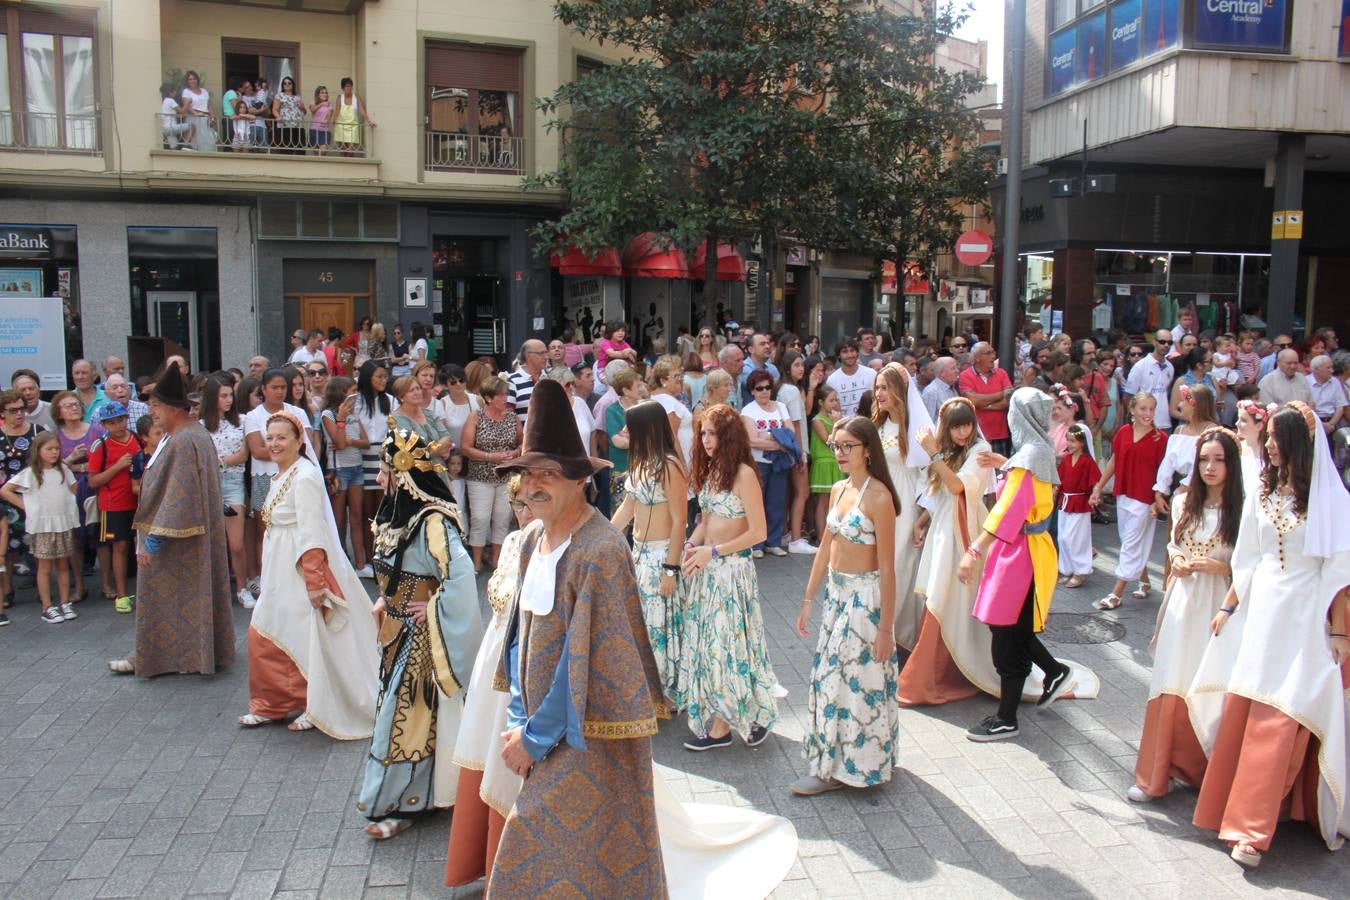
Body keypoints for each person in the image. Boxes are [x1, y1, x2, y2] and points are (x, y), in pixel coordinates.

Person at [488, 379, 667, 895]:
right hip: (539, 730)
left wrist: (535, 737)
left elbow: (584, 657)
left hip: (588, 737)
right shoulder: (529, 540)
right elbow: (520, 636)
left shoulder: (601, 550)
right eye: (528, 475)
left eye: (549, 474)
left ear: (577, 479)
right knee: (563, 863)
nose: (534, 485)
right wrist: (520, 720)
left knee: (555, 855)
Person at [1187, 403, 1350, 867]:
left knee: (1285, 716)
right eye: (1269, 435)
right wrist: (1229, 605)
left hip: (1306, 617)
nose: (1270, 443)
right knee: (1248, 709)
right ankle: (1227, 810)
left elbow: (1339, 570)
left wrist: (1338, 630)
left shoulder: (1332, 500)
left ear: (1300, 441)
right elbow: (1251, 558)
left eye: (1277, 436)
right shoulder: (1261, 491)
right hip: (1261, 614)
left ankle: (1251, 833)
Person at [358, 416, 480, 840]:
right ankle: (416, 797)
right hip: (397, 632)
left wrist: (431, 605)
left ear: (403, 475)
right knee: (401, 718)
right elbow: (393, 569)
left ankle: (400, 804)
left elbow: (461, 582)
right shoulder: (395, 513)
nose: (379, 477)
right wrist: (383, 598)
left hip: (423, 640)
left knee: (406, 720)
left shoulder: (433, 522)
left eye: (386, 470)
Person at [239, 410, 378, 736]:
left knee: (303, 635)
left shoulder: (305, 477)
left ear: (299, 440)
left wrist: (315, 581)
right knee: (267, 629)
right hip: (277, 569)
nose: (274, 444)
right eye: (269, 437)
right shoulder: (277, 475)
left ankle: (315, 706)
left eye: (281, 437)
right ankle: (270, 704)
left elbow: (313, 531)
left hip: (298, 570)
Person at [1128, 428, 1240, 803]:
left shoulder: (1243, 509)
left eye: (1219, 460)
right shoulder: (1182, 501)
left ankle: (1206, 773)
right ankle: (1156, 774)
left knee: (1208, 683)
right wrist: (1175, 556)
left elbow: (1255, 563)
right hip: (1182, 599)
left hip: (1220, 606)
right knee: (1170, 679)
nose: (1210, 467)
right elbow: (1174, 541)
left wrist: (1222, 569)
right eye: (1204, 460)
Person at [958, 388, 1075, 742]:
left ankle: (1007, 718)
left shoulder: (1028, 457)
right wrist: (1004, 463)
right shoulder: (1035, 453)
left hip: (1020, 554)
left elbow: (1008, 510)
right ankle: (1054, 672)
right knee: (1016, 630)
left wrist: (973, 550)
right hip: (1025, 550)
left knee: (1007, 634)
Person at [792, 416, 900, 794]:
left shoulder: (879, 497)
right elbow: (825, 548)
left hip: (863, 601)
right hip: (836, 598)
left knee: (853, 684)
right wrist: (808, 598)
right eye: (836, 446)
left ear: (867, 450)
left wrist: (886, 628)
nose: (839, 452)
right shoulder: (838, 489)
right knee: (828, 680)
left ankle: (849, 768)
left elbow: (888, 568)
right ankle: (831, 763)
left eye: (847, 446)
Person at [108, 365, 235, 677]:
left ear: (174, 408)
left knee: (164, 600)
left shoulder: (182, 440)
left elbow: (180, 494)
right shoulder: (185, 434)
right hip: (185, 534)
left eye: (156, 406)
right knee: (186, 599)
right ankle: (190, 654)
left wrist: (152, 540)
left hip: (176, 537)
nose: (152, 413)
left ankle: (156, 658)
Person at [444, 474, 531, 885]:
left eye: (532, 503)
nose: (524, 512)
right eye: (518, 504)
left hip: (520, 671)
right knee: (483, 751)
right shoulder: (513, 542)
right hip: (491, 663)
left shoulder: (557, 548)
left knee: (508, 763)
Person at [678, 404, 779, 750]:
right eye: (702, 433)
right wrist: (691, 545)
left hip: (733, 571)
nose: (706, 440)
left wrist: (715, 552)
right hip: (707, 570)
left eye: (712, 433)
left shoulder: (744, 475)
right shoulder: (710, 472)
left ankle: (722, 726)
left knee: (728, 645)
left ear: (728, 435)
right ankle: (745, 715)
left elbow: (760, 531)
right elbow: (705, 521)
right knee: (712, 646)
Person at [900, 398, 992, 705]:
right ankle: (932, 676)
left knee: (946, 597)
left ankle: (928, 678)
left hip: (964, 535)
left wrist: (933, 451)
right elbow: (940, 493)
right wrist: (922, 522)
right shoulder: (951, 452)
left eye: (967, 424)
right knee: (939, 597)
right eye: (956, 426)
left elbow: (956, 487)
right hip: (944, 531)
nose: (963, 431)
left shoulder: (980, 450)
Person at [612, 400, 688, 698]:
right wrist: (599, 535)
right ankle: (646, 690)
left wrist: (671, 568)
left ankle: (664, 693)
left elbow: (680, 519)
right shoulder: (642, 462)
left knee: (660, 627)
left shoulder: (669, 465)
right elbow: (628, 509)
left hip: (661, 556)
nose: (625, 431)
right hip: (639, 556)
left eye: (630, 426)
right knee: (642, 626)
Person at [872, 364, 933, 648]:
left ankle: (903, 635)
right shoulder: (878, 423)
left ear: (898, 390)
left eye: (884, 387)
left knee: (901, 564)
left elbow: (929, 474)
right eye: (877, 387)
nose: (879, 393)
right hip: (879, 501)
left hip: (906, 502)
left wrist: (923, 516)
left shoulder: (916, 428)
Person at [1091, 393, 1168, 610]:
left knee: (1131, 544)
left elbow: (1164, 472)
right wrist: (1099, 485)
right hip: (1123, 493)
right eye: (1143, 408)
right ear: (1132, 410)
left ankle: (1117, 593)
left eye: (1152, 409)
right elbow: (1115, 460)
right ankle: (1144, 580)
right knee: (1129, 541)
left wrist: (1157, 498)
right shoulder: (1124, 432)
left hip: (1145, 497)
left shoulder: (1160, 438)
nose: (1148, 413)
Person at [0, 432, 78, 624]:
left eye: (57, 449)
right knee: (44, 567)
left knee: (62, 565)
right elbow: (5, 490)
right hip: (42, 526)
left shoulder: (63, 470)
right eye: (49, 449)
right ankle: (47, 606)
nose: (54, 452)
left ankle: (65, 602)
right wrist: (28, 507)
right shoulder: (30, 473)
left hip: (62, 524)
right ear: (38, 450)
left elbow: (73, 488)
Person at [198, 376, 252, 607]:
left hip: (233, 482)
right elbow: (201, 458)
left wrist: (220, 462)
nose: (229, 400)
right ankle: (215, 591)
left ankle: (242, 587)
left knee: (236, 544)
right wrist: (219, 463)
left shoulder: (243, 421)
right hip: (209, 484)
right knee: (211, 543)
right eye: (223, 395)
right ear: (212, 398)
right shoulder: (200, 426)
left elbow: (243, 454)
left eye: (231, 395)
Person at [460, 375, 522, 572]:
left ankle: (497, 559)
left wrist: (514, 453)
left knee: (503, 518)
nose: (505, 398)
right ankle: (476, 561)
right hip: (480, 476)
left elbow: (522, 442)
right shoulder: (476, 417)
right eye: (501, 395)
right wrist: (490, 456)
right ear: (488, 398)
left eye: (506, 394)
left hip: (506, 475)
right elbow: (466, 448)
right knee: (479, 518)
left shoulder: (512, 417)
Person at [86, 402, 141, 611]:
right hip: (113, 505)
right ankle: (121, 594)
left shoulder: (136, 438)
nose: (118, 426)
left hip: (137, 501)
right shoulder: (100, 445)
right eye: (111, 423)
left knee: (140, 547)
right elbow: (93, 481)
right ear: (104, 425)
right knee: (119, 547)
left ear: (127, 418)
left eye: (120, 420)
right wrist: (118, 467)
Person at [319, 376, 371, 576]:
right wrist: (341, 420)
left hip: (357, 466)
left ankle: (360, 564)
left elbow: (365, 442)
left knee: (357, 516)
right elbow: (338, 444)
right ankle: (340, 561)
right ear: (341, 392)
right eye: (352, 390)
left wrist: (349, 440)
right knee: (338, 519)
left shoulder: (354, 413)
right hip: (339, 469)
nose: (355, 395)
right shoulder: (328, 414)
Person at [741, 369, 793, 558]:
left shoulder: (780, 406)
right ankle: (756, 544)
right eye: (759, 388)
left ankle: (774, 541)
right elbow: (752, 441)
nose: (764, 391)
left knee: (777, 502)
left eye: (768, 387)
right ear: (752, 391)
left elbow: (791, 434)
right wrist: (778, 440)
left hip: (779, 462)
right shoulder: (748, 410)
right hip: (758, 463)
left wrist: (767, 437)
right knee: (757, 502)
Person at [777, 352, 816, 554]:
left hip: (787, 448)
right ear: (787, 367)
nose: (801, 368)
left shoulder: (784, 388)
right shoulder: (791, 390)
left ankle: (785, 534)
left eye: (802, 365)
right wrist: (800, 453)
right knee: (803, 492)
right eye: (797, 365)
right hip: (795, 448)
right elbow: (796, 424)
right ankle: (796, 539)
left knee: (789, 493)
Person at [1056, 424, 1100, 588]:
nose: (1069, 444)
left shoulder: (1088, 462)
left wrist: (1095, 494)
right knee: (1062, 537)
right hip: (1065, 501)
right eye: (1068, 440)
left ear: (1082, 442)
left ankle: (1081, 570)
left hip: (1080, 503)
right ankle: (1068, 569)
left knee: (1073, 537)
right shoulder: (1067, 459)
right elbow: (1060, 479)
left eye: (1073, 441)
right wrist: (1055, 490)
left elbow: (1095, 481)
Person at [809, 385, 844, 544]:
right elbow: (829, 441)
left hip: (835, 462)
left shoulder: (836, 418)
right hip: (823, 463)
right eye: (831, 400)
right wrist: (837, 424)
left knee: (835, 501)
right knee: (823, 501)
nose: (834, 403)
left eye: (836, 399)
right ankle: (822, 537)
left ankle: (833, 535)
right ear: (821, 402)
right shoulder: (817, 420)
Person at [1125, 332, 1177, 431]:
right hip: (1144, 423)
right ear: (1154, 342)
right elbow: (1128, 396)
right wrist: (1135, 420)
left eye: (1169, 342)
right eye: (1162, 342)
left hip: (1165, 424)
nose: (1166, 345)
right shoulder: (1140, 366)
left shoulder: (1170, 367)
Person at [649, 355, 694, 465]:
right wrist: (682, 464)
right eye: (675, 376)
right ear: (663, 380)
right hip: (679, 458)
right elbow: (671, 435)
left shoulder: (660, 398)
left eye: (680, 375)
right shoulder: (667, 401)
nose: (680, 379)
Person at [826, 339, 872, 418]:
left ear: (857, 352)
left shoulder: (871, 374)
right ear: (839, 355)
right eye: (845, 352)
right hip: (844, 427)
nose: (850, 355)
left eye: (852, 350)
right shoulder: (832, 380)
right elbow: (832, 409)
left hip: (869, 424)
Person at [507, 339, 548, 426]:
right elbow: (508, 415)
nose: (546, 357)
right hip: (525, 437)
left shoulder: (552, 378)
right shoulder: (512, 381)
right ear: (528, 355)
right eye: (541, 353)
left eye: (546, 352)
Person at [334, 76, 375, 154]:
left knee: (351, 150)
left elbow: (361, 109)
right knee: (343, 150)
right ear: (343, 88)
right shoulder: (340, 97)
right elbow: (337, 110)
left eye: (350, 86)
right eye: (347, 86)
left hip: (353, 126)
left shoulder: (356, 97)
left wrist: (369, 121)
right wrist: (333, 120)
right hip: (341, 125)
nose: (349, 88)